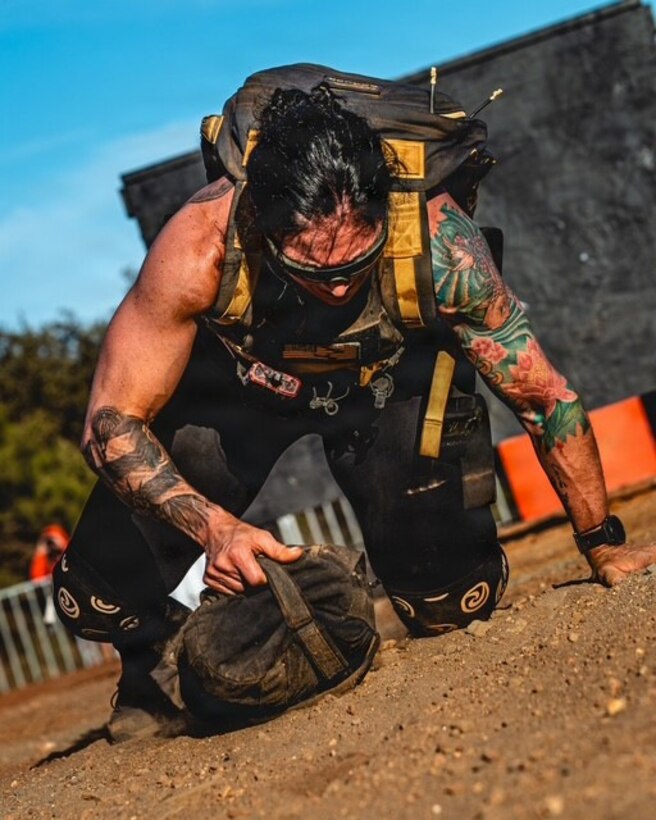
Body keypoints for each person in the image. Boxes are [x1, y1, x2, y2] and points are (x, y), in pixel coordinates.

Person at [53, 81, 656, 736]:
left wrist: (602, 545)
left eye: (357, 261)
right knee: (98, 595)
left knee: (452, 602)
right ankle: (151, 661)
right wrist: (216, 530)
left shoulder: (442, 246)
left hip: (383, 388)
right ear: (262, 226)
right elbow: (110, 424)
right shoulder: (199, 249)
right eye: (314, 270)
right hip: (247, 395)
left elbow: (543, 398)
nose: (339, 286)